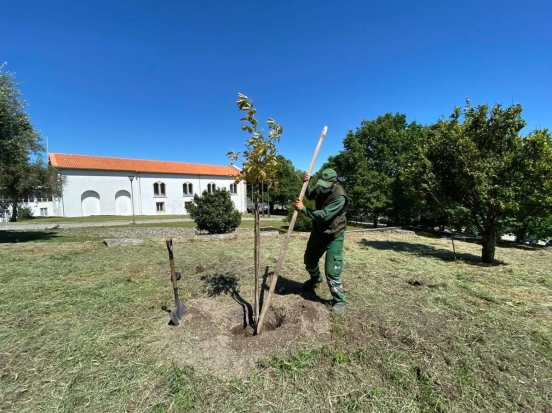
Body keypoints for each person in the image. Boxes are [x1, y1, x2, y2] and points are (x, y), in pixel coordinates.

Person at [295, 168, 349, 315]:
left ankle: (339, 300)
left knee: (332, 270)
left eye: (326, 185)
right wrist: (307, 184)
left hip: (334, 235)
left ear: (334, 182)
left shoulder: (340, 197)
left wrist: (304, 209)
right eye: (321, 184)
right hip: (319, 232)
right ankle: (315, 279)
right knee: (309, 260)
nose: (323, 187)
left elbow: (324, 216)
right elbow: (312, 195)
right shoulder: (321, 185)